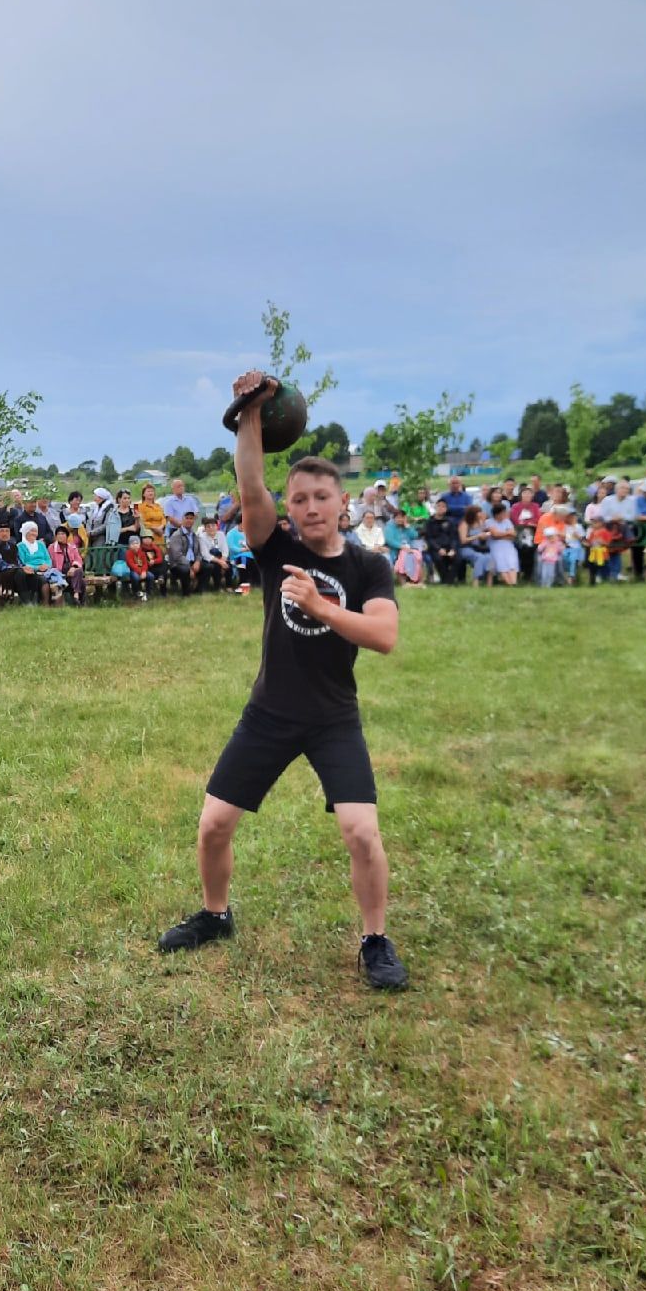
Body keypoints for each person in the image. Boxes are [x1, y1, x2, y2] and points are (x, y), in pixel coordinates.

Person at [158, 371, 406, 990]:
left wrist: (323, 607)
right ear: (290, 508)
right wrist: (249, 411)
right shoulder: (276, 547)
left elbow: (384, 636)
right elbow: (249, 485)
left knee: (361, 830)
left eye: (323, 497)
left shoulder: (368, 567)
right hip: (269, 712)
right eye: (300, 499)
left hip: (332, 718)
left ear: (342, 504)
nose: (311, 507)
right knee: (213, 824)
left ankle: (375, 940)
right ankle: (216, 917)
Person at [17, 521, 64, 604]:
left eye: (35, 531)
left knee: (56, 580)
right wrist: (37, 568)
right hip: (31, 572)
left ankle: (58, 606)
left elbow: (48, 558)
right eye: (31, 531)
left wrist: (47, 566)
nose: (34, 533)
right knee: (44, 581)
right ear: (25, 532)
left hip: (46, 569)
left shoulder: (41, 544)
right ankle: (45, 605)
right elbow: (23, 562)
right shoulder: (20, 546)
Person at [424, 500, 461, 584]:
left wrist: (453, 549)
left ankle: (449, 580)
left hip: (449, 547)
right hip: (435, 548)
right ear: (435, 507)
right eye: (439, 506)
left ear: (446, 509)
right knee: (438, 559)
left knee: (458, 559)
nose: (441, 508)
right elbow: (429, 538)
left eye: (443, 506)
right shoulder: (429, 522)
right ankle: (446, 581)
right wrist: (438, 549)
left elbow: (454, 538)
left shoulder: (450, 522)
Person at [166, 512, 203, 594]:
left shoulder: (194, 535)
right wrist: (190, 567)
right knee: (185, 570)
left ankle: (198, 589)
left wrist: (197, 562)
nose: (189, 520)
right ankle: (186, 592)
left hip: (192, 561)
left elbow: (199, 552)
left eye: (191, 518)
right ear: (182, 520)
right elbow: (177, 556)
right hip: (178, 564)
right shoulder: (176, 535)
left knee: (206, 566)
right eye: (187, 518)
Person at [49, 525, 86, 605]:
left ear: (67, 536)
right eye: (58, 534)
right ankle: (77, 598)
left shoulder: (72, 547)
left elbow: (78, 559)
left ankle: (77, 597)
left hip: (72, 573)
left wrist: (73, 567)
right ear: (56, 536)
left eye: (63, 534)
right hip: (59, 574)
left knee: (79, 572)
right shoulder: (52, 548)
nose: (60, 536)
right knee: (81, 581)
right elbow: (51, 563)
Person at [485, 503, 519, 585]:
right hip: (495, 546)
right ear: (497, 514)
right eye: (503, 512)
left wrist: (501, 534)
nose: (505, 514)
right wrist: (507, 533)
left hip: (508, 546)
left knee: (511, 561)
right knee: (501, 562)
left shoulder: (507, 521)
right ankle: (509, 583)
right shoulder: (489, 522)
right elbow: (495, 535)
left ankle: (513, 582)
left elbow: (513, 534)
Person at [0, 523, 22, 598]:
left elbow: (19, 561)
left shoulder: (14, 546)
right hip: (0, 574)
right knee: (18, 573)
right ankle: (6, 597)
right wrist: (15, 568)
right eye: (2, 531)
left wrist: (21, 568)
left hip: (15, 572)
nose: (5, 534)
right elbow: (1, 565)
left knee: (27, 575)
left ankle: (28, 600)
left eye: (7, 531)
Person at [196, 516, 231, 588]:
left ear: (217, 526)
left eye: (213, 526)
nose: (211, 528)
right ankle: (218, 586)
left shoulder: (221, 534)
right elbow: (205, 554)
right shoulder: (202, 537)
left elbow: (225, 549)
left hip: (220, 556)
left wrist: (223, 560)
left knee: (228, 565)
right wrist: (220, 562)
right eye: (208, 526)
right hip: (208, 559)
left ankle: (229, 586)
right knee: (215, 566)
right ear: (205, 528)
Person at [122, 534, 151, 599]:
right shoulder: (128, 553)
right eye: (132, 544)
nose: (135, 545)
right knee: (135, 577)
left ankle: (148, 592)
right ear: (129, 546)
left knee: (150, 576)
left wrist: (143, 571)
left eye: (137, 543)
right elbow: (131, 564)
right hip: (132, 571)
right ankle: (136, 592)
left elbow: (145, 564)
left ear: (139, 544)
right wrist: (140, 572)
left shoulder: (142, 553)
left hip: (142, 571)